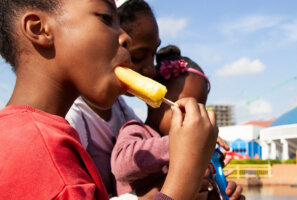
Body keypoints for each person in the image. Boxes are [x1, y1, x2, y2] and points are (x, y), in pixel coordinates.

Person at [0, 0, 219, 199]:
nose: (126, 37)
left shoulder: (39, 140)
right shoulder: (38, 154)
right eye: (106, 18)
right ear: (39, 29)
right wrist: (184, 180)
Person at [111, 45, 244, 200]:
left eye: (198, 107)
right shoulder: (136, 130)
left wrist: (216, 194)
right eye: (181, 106)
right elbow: (120, 166)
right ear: (152, 100)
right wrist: (181, 141)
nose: (192, 116)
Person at [65, 0, 159, 195]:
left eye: (154, 54)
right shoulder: (72, 116)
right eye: (139, 55)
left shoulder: (121, 108)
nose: (151, 69)